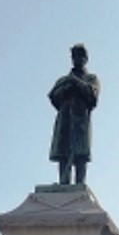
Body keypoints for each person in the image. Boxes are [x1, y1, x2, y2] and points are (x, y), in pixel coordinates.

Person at [48, 44, 100, 185]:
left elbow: (93, 96)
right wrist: (67, 87)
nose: (77, 59)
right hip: (65, 120)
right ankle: (63, 182)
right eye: (75, 56)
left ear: (85, 59)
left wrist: (76, 83)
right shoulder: (63, 80)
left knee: (81, 154)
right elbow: (53, 97)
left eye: (80, 56)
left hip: (81, 120)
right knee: (63, 152)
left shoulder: (91, 78)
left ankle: (79, 183)